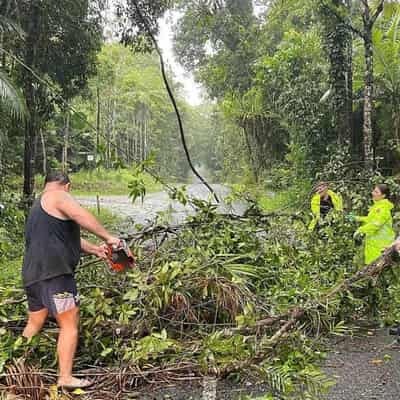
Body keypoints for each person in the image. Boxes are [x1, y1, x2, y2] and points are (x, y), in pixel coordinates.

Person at [22, 171, 120, 389]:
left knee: (35, 322)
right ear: (67, 186)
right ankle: (65, 377)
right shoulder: (58, 195)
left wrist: (95, 249)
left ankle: (16, 363)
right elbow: (81, 216)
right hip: (56, 275)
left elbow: (66, 236)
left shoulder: (40, 205)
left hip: (33, 276)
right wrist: (109, 237)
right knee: (69, 322)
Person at [353, 184, 395, 265]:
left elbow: (376, 224)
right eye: (373, 191)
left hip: (381, 245)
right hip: (374, 244)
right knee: (372, 269)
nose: (373, 193)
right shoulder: (377, 206)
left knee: (377, 269)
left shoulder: (383, 209)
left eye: (376, 192)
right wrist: (356, 218)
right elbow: (370, 219)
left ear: (383, 195)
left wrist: (360, 230)